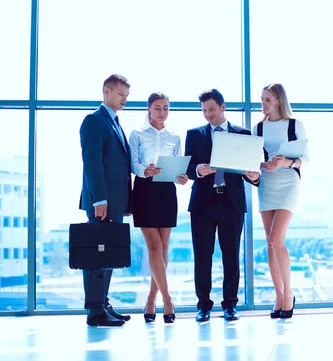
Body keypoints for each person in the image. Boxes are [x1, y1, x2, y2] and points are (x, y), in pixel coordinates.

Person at [185, 89, 260, 322]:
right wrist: (198, 169)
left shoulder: (243, 134)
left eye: (212, 109)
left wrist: (254, 176)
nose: (207, 114)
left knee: (231, 256)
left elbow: (251, 173)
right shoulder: (194, 134)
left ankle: (230, 305)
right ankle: (203, 306)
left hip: (231, 201)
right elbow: (188, 168)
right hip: (202, 203)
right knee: (202, 256)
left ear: (223, 107)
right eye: (204, 110)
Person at [128, 92, 189, 324]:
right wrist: (146, 171)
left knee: (164, 247)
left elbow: (175, 166)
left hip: (166, 191)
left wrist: (180, 178)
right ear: (149, 109)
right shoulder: (137, 134)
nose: (161, 112)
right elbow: (133, 163)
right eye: (157, 108)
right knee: (153, 246)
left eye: (165, 108)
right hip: (144, 189)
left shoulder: (175, 137)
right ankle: (168, 300)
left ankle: (151, 300)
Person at [79, 74, 133, 327]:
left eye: (126, 95)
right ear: (106, 92)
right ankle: (95, 312)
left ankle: (103, 304)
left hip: (115, 201)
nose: (124, 99)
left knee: (109, 255)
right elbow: (92, 163)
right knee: (97, 258)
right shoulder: (94, 121)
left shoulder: (114, 122)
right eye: (120, 94)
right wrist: (99, 198)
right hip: (102, 202)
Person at [253, 83, 308, 319]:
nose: (263, 104)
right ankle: (278, 295)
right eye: (262, 99)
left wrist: (285, 161)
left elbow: (303, 159)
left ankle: (289, 295)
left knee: (277, 239)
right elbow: (254, 160)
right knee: (269, 243)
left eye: (267, 99)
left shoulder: (295, 125)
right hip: (267, 183)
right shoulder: (258, 128)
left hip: (288, 182)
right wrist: (263, 165)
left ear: (279, 101)